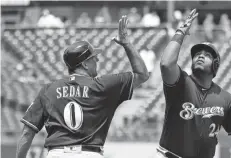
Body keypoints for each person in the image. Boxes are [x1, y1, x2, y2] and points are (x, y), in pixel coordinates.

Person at [16, 15, 149, 158]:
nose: (97, 59)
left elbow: (27, 133)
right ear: (85, 64)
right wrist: (126, 43)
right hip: (89, 154)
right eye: (93, 58)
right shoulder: (103, 85)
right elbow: (142, 74)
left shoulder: (48, 90)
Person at [157, 9, 231, 158]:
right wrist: (180, 32)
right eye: (197, 54)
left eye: (206, 55)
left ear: (215, 65)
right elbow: (166, 64)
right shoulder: (181, 82)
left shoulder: (225, 98)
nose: (200, 56)